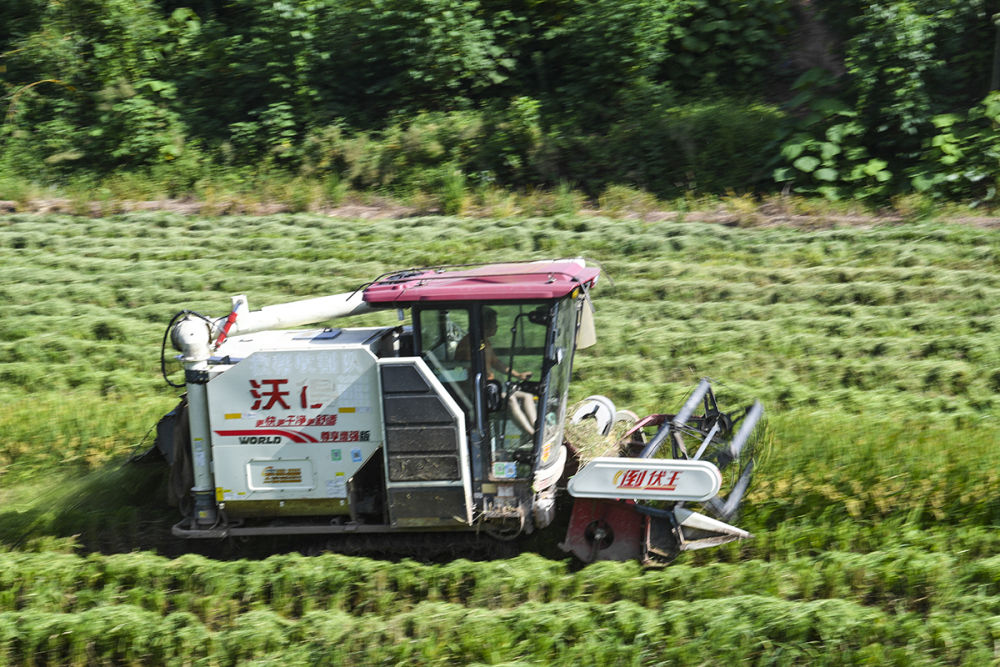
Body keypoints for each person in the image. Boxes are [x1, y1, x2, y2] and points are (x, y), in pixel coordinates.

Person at [456, 308, 536, 434]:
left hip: (490, 386)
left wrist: (518, 375)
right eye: (494, 323)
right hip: (476, 390)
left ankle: (538, 430)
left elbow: (496, 363)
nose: (497, 326)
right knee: (510, 399)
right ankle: (532, 434)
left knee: (527, 396)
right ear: (484, 324)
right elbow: (468, 368)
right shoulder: (468, 343)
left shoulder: (484, 342)